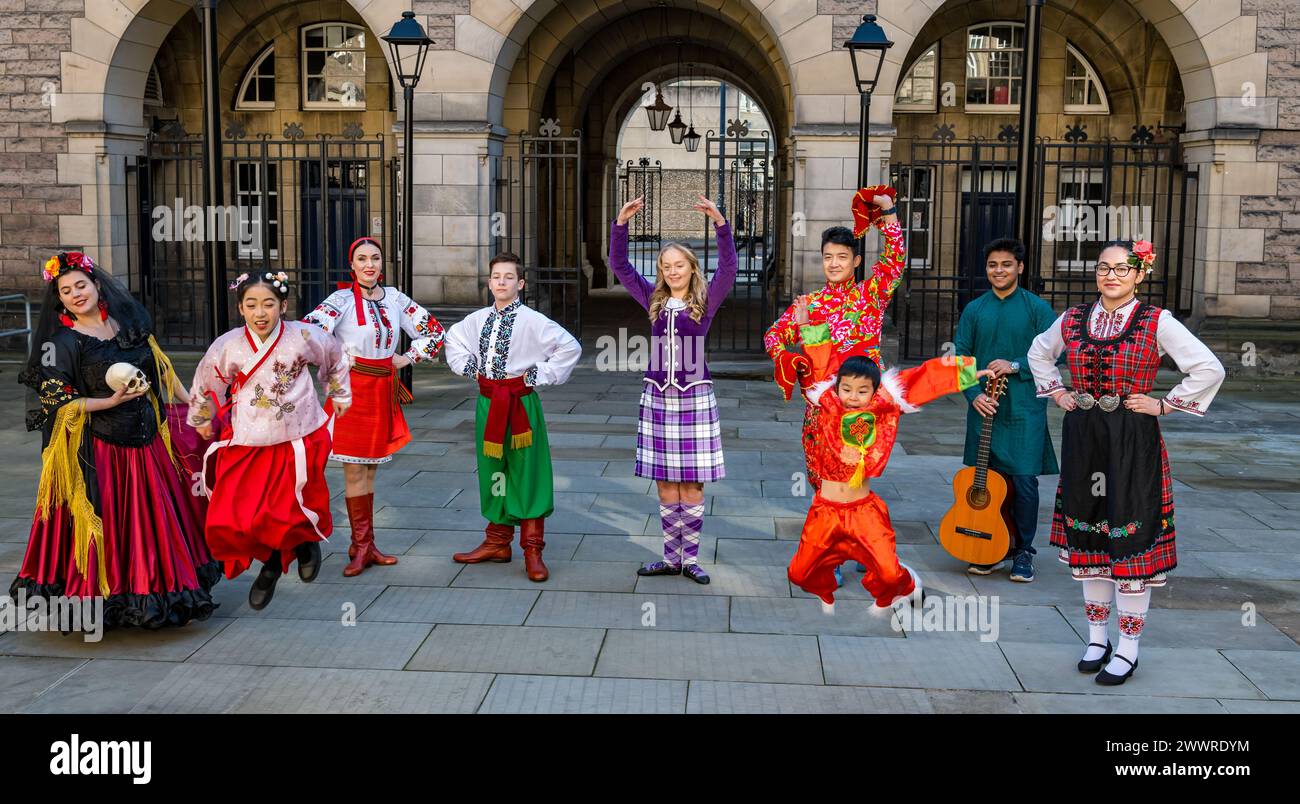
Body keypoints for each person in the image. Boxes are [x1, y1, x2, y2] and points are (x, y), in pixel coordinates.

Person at [1028, 240, 1225, 685]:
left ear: (1139, 274)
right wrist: (1058, 391)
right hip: (1085, 437)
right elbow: (1039, 351)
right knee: (1089, 530)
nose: (1110, 275)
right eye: (1103, 268)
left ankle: (1129, 646)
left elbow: (1208, 368)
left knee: (1130, 536)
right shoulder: (1074, 317)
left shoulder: (1158, 321)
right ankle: (1097, 638)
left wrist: (1165, 406)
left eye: (1121, 268)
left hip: (1132, 441)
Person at [12, 251, 220, 629]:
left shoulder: (128, 323)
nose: (76, 294)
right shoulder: (61, 342)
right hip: (100, 450)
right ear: (59, 299)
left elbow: (160, 369)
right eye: (66, 290)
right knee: (111, 521)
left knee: (152, 520)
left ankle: (152, 590)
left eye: (81, 285)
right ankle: (107, 599)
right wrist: (109, 401)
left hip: (147, 443)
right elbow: (57, 402)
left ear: (96, 286)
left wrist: (192, 401)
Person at [786, 297, 992, 613]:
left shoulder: (884, 405)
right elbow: (821, 360)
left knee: (888, 572)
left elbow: (926, 380)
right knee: (799, 573)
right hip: (825, 511)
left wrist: (970, 372)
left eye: (862, 391)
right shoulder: (828, 402)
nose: (852, 397)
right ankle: (834, 571)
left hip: (862, 511)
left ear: (874, 391)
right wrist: (803, 325)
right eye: (847, 389)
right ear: (837, 388)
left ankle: (908, 582)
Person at [188, 271, 352, 610]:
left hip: (296, 436)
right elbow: (207, 381)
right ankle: (289, 553)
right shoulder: (228, 344)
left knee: (285, 511)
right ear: (240, 308)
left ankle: (279, 562)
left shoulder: (304, 335)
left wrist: (337, 394)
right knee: (236, 516)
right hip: (248, 437)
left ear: (284, 305)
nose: (260, 313)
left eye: (268, 304)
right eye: (252, 305)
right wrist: (201, 417)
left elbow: (336, 358)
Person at [608, 194, 737, 584]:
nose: (673, 271)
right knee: (665, 482)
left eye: (679, 265)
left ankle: (691, 560)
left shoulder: (705, 300)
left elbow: (729, 268)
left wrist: (720, 223)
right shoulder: (653, 298)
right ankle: (669, 558)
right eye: (666, 266)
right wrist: (621, 224)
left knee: (692, 483)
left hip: (694, 395)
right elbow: (620, 266)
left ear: (691, 268)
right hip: (658, 397)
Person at [303, 237, 445, 576]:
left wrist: (406, 358)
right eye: (362, 259)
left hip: (383, 390)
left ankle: (364, 544)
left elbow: (434, 332)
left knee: (369, 469)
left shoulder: (395, 298)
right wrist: (337, 361)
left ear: (382, 263)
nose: (370, 265)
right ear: (351, 265)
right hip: (352, 393)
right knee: (354, 469)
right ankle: (362, 545)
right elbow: (309, 333)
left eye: (376, 258)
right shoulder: (340, 300)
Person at [443, 254, 582, 582]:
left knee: (526, 470)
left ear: (520, 284)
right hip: (489, 402)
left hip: (520, 404)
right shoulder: (476, 319)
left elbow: (570, 348)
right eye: (496, 276)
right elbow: (453, 340)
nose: (501, 281)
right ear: (489, 282)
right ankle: (497, 541)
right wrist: (471, 369)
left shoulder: (534, 321)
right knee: (494, 469)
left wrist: (535, 375)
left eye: (508, 277)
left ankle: (532, 549)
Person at [764, 186, 904, 490]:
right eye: (828, 256)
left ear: (855, 261)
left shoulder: (871, 296)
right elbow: (774, 335)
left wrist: (889, 211)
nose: (834, 263)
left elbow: (894, 262)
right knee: (821, 481)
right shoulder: (810, 304)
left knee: (854, 485)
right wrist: (791, 361)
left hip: (861, 407)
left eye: (842, 256)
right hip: (821, 409)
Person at [952, 237, 1061, 582]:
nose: (999, 271)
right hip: (984, 409)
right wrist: (973, 395)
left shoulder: (1037, 309)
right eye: (992, 265)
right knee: (986, 480)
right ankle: (990, 547)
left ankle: (1023, 551)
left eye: (1006, 264)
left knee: (1024, 482)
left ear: (1020, 268)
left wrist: (1015, 365)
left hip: (1024, 408)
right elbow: (961, 360)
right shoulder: (974, 310)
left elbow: (1055, 354)